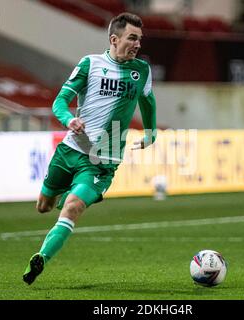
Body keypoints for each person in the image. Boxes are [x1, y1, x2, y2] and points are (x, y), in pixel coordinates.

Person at [23, 12, 157, 285]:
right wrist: (69, 119)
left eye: (140, 40)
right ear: (114, 39)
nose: (138, 44)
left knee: (71, 207)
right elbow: (60, 101)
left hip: (102, 161)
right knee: (43, 206)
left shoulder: (141, 71)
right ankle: (79, 193)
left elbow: (148, 101)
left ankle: (41, 259)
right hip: (70, 150)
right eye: (132, 38)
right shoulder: (90, 65)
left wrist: (151, 132)